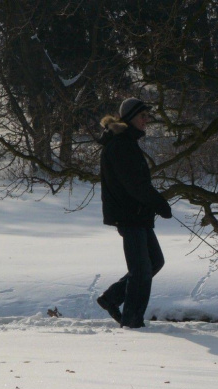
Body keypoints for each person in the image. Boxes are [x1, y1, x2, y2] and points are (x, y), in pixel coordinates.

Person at [96, 97, 172, 328]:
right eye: (142, 116)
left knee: (154, 262)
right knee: (141, 270)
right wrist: (159, 203)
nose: (146, 120)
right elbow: (135, 185)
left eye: (147, 116)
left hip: (138, 215)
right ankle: (132, 321)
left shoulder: (127, 142)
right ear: (130, 118)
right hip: (130, 215)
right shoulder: (121, 145)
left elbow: (137, 183)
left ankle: (111, 298)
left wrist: (155, 204)